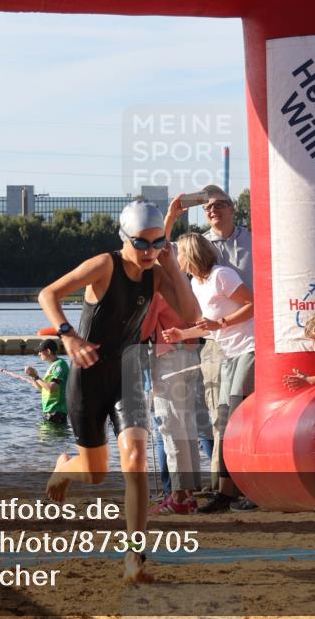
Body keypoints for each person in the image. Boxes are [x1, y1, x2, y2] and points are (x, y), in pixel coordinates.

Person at [37, 200, 199, 583]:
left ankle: (134, 558)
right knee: (95, 475)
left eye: (157, 243)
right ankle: (65, 467)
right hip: (88, 376)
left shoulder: (158, 273)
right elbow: (48, 294)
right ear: (124, 239)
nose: (149, 252)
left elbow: (192, 317)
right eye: (141, 244)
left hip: (127, 372)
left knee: (137, 461)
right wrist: (69, 337)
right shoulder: (104, 265)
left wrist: (172, 265)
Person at [164, 186, 253, 493]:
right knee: (220, 416)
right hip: (221, 346)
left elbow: (250, 302)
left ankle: (237, 486)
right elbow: (162, 253)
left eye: (219, 206)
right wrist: (182, 334)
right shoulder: (199, 277)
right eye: (208, 208)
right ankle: (222, 485)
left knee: (235, 413)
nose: (213, 211)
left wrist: (221, 322)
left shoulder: (233, 259)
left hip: (248, 341)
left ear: (232, 208)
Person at [143, 292, 203, 515]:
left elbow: (144, 328)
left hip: (169, 359)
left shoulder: (158, 292)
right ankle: (188, 495)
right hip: (190, 354)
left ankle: (178, 495)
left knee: (170, 428)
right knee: (187, 427)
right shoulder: (184, 286)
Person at [25, 339, 70, 425]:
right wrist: (33, 376)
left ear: (48, 351)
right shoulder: (52, 366)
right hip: (49, 412)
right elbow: (43, 389)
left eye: (40, 351)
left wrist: (37, 377)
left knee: (51, 437)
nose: (39, 354)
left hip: (57, 412)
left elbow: (52, 388)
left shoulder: (60, 364)